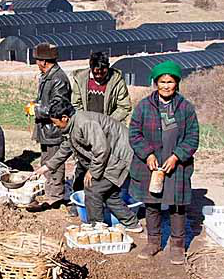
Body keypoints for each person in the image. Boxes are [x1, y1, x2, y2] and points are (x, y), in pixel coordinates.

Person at [32, 99, 143, 233]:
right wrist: (46, 167)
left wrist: (93, 171)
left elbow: (101, 149)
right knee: (108, 194)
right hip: (111, 157)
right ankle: (132, 223)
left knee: (92, 188)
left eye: (55, 122)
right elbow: (66, 148)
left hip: (120, 157)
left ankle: (97, 226)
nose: (55, 125)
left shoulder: (85, 123)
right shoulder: (73, 125)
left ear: (64, 118)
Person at [128, 60, 199, 265]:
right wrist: (148, 154)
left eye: (170, 82)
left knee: (177, 206)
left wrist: (176, 156)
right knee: (152, 204)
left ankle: (177, 246)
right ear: (155, 83)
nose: (166, 86)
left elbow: (192, 137)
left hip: (176, 164)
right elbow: (134, 134)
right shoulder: (144, 106)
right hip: (150, 164)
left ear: (177, 83)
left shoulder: (185, 108)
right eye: (162, 82)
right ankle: (153, 242)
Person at [70, 51, 132, 192]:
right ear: (91, 68)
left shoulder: (116, 80)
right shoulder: (81, 79)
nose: (99, 76)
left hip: (108, 130)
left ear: (107, 68)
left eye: (102, 73)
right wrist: (84, 123)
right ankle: (79, 193)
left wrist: (107, 123)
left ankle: (108, 194)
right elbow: (76, 104)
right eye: (96, 73)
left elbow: (124, 106)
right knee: (83, 162)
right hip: (86, 129)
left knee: (107, 161)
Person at [25, 43, 72, 206]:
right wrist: (35, 103)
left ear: (43, 61)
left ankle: (55, 197)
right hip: (46, 130)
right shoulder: (48, 76)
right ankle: (50, 192)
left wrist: (37, 110)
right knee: (46, 161)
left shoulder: (58, 79)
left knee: (55, 163)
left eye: (37, 60)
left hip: (54, 130)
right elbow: (46, 100)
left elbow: (59, 108)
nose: (36, 63)